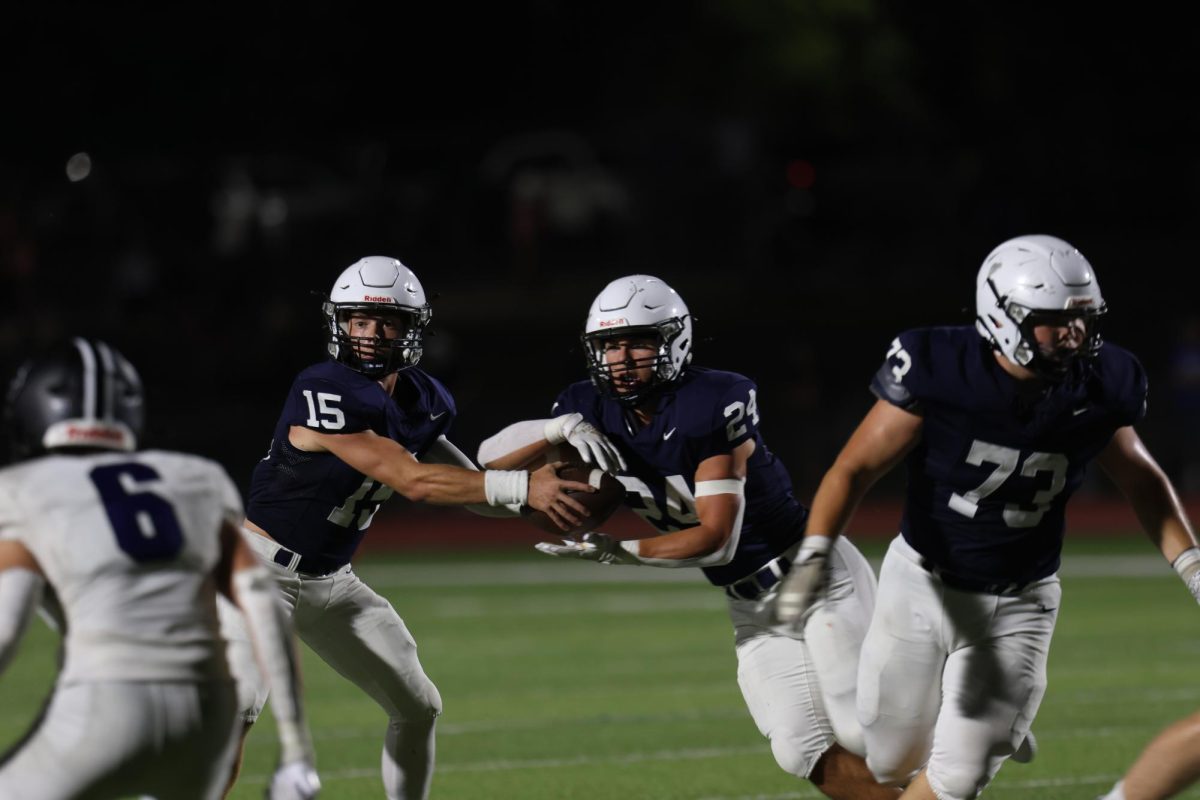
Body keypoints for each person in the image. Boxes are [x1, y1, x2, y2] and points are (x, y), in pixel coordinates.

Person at [772, 234, 1200, 800]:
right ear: (1002, 315)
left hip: (1020, 598)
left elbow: (1142, 479)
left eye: (1083, 320)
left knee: (957, 778)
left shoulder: (1103, 383)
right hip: (922, 581)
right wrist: (816, 551)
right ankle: (982, 716)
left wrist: (1193, 566)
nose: (1074, 336)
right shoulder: (939, 367)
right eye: (1055, 322)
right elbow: (854, 468)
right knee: (886, 755)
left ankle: (988, 726)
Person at [476, 274, 898, 800]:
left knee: (867, 731)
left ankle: (961, 708)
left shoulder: (710, 401)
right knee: (801, 747)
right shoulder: (590, 408)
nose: (621, 358)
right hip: (752, 606)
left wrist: (621, 551)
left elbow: (716, 538)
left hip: (814, 578)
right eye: (609, 345)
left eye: (637, 342)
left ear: (673, 342)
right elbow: (489, 460)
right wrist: (554, 430)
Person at [222, 255, 595, 800]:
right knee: (237, 709)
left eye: (386, 321)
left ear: (410, 328)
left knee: (419, 707)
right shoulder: (322, 387)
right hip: (258, 573)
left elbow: (472, 487)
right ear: (339, 323)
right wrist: (523, 488)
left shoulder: (422, 400)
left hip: (333, 581)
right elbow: (413, 481)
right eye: (359, 320)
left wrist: (552, 436)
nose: (370, 334)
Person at [0, 337, 320, 800]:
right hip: (209, 715)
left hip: (108, 701)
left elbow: (6, 631)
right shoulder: (198, 479)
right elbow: (263, 610)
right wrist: (295, 752)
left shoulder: (20, 490)